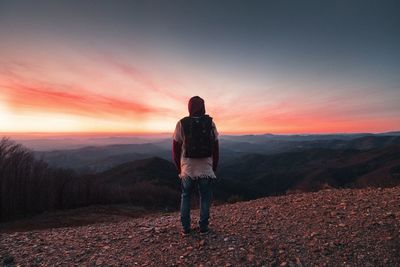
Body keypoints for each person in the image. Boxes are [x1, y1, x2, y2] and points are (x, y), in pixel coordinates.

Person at [172, 96, 219, 236]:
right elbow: (216, 147)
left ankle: (186, 228)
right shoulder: (210, 123)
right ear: (203, 107)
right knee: (205, 197)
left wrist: (179, 168)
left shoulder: (181, 123)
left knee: (185, 196)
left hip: (187, 167)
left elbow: (176, 148)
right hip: (206, 167)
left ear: (189, 107)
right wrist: (213, 166)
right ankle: (203, 227)